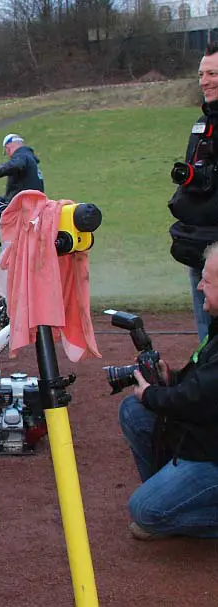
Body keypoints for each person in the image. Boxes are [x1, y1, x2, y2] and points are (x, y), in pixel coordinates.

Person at [118, 241, 218, 540]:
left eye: (208, 281)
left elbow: (197, 399)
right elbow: (202, 382)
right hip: (208, 438)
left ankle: (167, 508)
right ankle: (172, 496)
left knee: (147, 513)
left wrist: (151, 393)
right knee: (134, 411)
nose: (199, 286)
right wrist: (169, 378)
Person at [168, 44, 218, 341]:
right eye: (201, 74)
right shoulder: (201, 124)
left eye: (213, 73)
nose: (205, 81)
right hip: (198, 237)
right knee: (205, 325)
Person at [0, 133, 44, 203]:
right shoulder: (30, 160)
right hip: (32, 203)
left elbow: (14, 165)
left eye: (6, 151)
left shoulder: (22, 156)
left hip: (22, 206)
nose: (9, 155)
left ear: (8, 147)